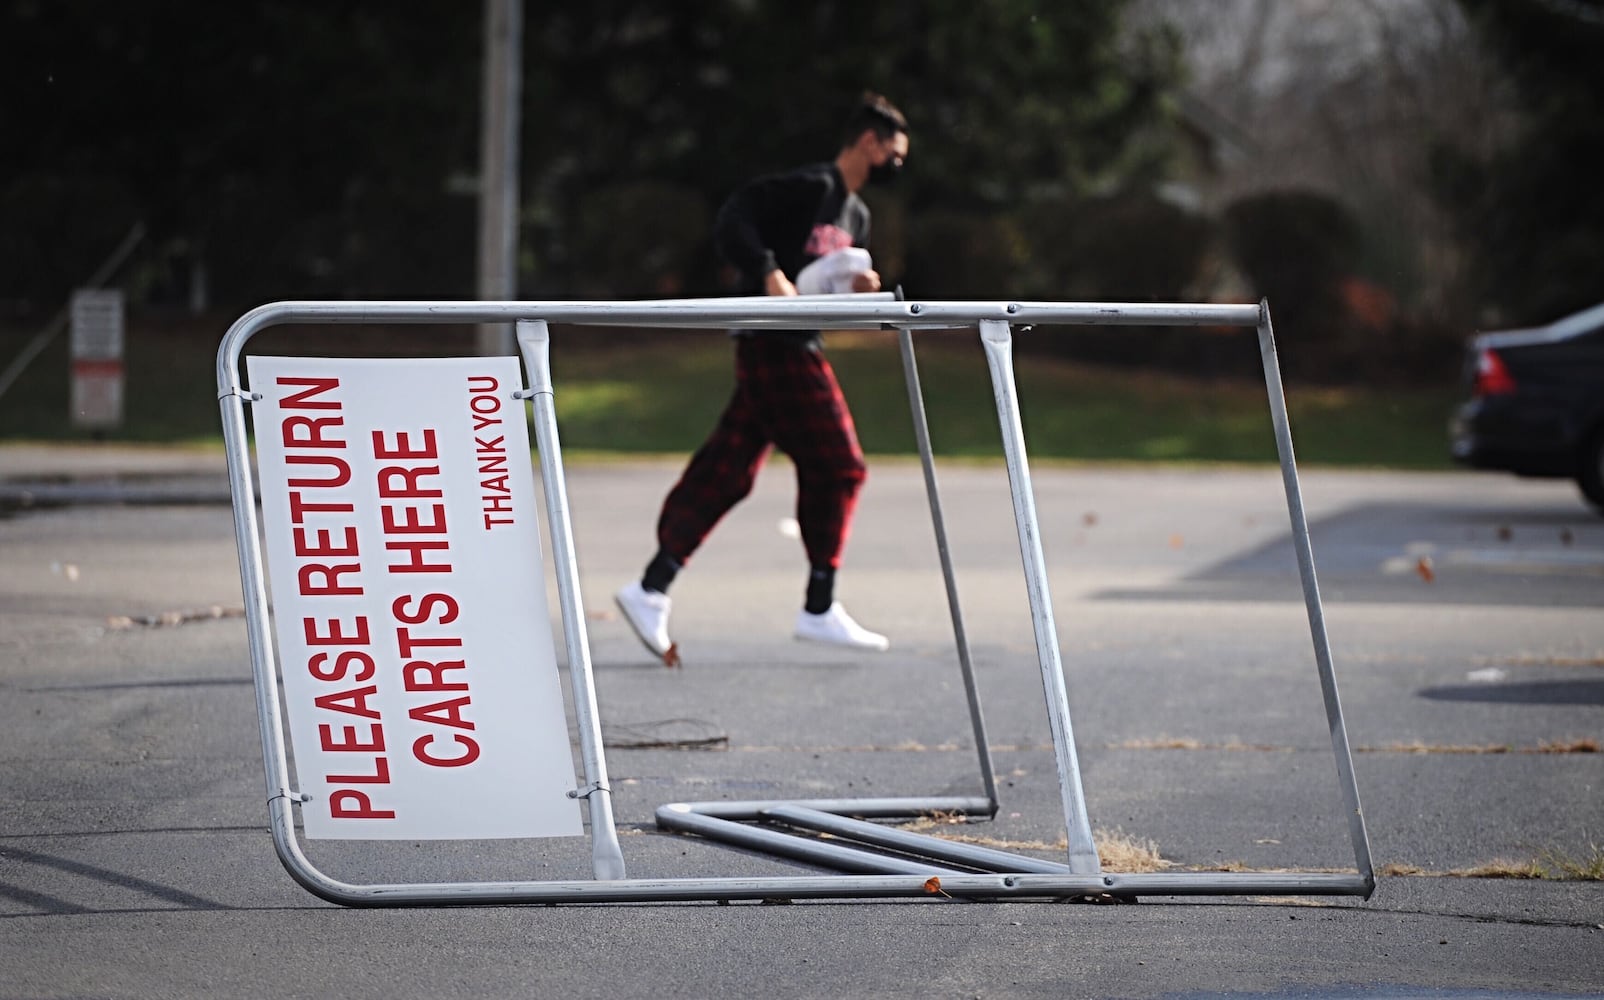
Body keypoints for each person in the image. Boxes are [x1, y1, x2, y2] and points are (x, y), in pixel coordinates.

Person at [615, 92, 910, 666]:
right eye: (894, 158)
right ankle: (819, 606)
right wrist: (766, 270)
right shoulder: (811, 188)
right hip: (771, 342)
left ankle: (649, 589)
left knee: (728, 472)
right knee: (841, 465)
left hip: (797, 340)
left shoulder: (857, 216)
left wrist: (856, 291)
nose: (895, 170)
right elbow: (736, 216)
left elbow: (820, 281)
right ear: (869, 143)